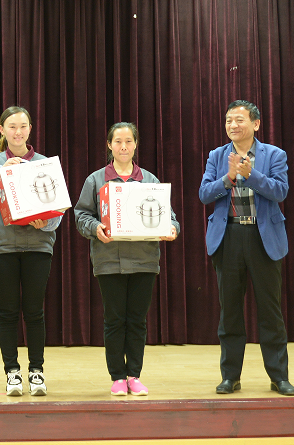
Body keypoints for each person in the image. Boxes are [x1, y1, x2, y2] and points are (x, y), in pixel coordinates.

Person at [198, 100, 294, 396]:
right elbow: (204, 194)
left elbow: (281, 191)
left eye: (239, 120)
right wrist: (228, 178)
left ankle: (279, 377)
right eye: (229, 120)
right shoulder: (217, 155)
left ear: (255, 124)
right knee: (229, 312)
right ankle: (230, 377)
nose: (232, 125)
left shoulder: (274, 155)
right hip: (228, 237)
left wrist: (251, 174)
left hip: (262, 238)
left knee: (270, 311)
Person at [74, 122, 179, 396]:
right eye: (118, 141)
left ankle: (134, 375)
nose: (123, 146)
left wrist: (172, 228)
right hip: (109, 261)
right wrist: (95, 228)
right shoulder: (96, 180)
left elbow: (169, 215)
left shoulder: (150, 180)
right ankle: (118, 377)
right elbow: (81, 215)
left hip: (144, 261)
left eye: (128, 141)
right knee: (114, 320)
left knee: (137, 321)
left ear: (136, 144)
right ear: (109, 145)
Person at [0, 106, 62, 397]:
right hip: (2, 247)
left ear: (30, 129)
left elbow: (58, 210)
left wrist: (46, 222)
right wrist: (1, 172)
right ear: (2, 130)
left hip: (38, 247)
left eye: (23, 126)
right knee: (8, 311)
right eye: (12, 126)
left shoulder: (44, 163)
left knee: (35, 311)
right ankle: (12, 372)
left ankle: (36, 371)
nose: (18, 132)